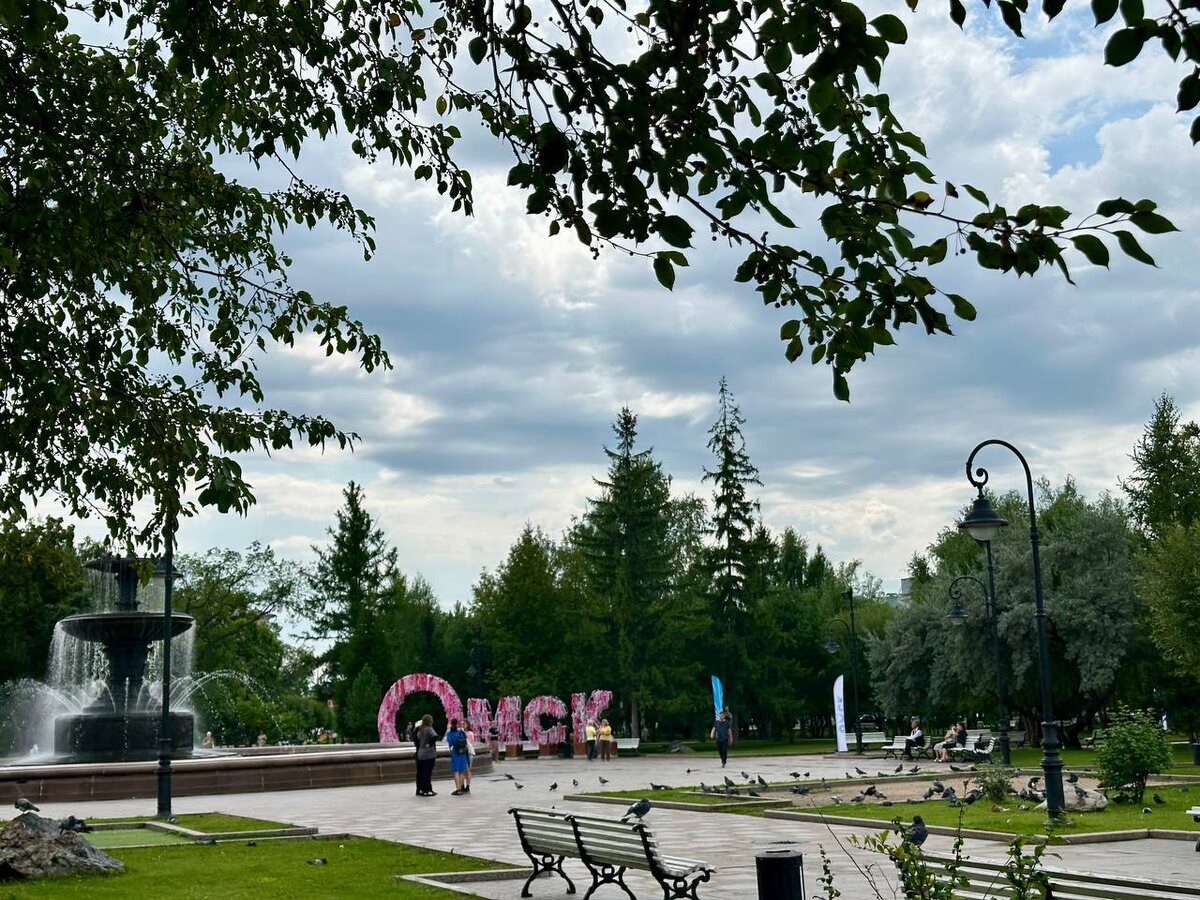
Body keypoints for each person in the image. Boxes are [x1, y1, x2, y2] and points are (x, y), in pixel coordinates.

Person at [414, 714, 438, 797]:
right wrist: (430, 744)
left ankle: (422, 789)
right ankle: (426, 790)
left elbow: (417, 739)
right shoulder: (429, 728)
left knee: (422, 772)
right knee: (427, 773)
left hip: (420, 754)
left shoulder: (420, 729)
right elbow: (435, 736)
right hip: (429, 754)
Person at [445, 717, 469, 795]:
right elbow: (465, 741)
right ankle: (461, 788)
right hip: (462, 753)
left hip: (455, 753)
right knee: (461, 772)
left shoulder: (449, 733)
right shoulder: (461, 732)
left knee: (456, 772)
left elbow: (450, 743)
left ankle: (458, 789)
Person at [464, 725, 476, 792]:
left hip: (469, 752)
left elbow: (471, 742)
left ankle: (468, 786)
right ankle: (463, 786)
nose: (463, 725)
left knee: (468, 769)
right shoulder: (461, 732)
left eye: (464, 724)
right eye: (462, 724)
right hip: (463, 753)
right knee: (464, 770)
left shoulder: (470, 733)